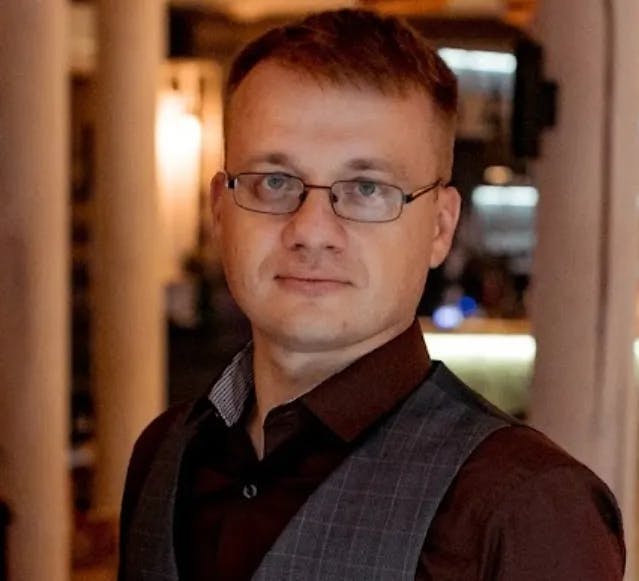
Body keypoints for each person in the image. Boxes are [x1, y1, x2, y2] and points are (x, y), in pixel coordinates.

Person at [119, 9, 625, 580]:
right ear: (220, 209)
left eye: (366, 188)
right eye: (274, 181)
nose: (311, 231)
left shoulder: (522, 507)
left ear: (440, 227)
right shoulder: (164, 453)